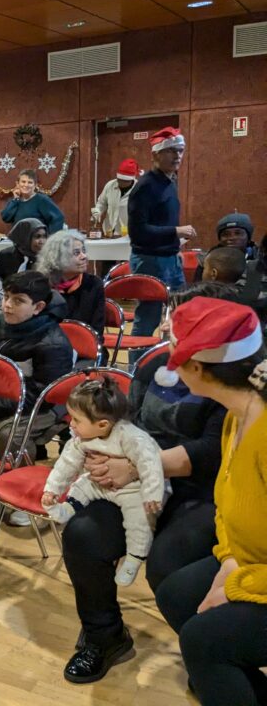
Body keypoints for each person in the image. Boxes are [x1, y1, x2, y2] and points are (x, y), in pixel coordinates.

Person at [60, 282, 229, 687]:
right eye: (170, 314)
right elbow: (125, 424)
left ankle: (211, 653)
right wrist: (102, 454)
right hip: (136, 480)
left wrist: (136, 467)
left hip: (202, 491)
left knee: (168, 565)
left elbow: (212, 452)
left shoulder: (232, 380)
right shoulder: (155, 367)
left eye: (180, 318)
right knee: (83, 534)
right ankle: (105, 637)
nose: (167, 325)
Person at [149, 297, 267, 706]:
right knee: (176, 594)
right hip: (251, 563)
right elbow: (229, 506)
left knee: (204, 641)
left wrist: (237, 584)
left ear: (196, 369)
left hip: (260, 575)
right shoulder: (237, 413)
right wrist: (230, 559)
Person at [42, 378, 164, 586]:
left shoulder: (131, 437)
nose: (71, 424)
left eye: (76, 420)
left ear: (102, 425)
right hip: (99, 483)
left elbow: (150, 464)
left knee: (139, 518)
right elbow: (66, 463)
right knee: (81, 486)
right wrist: (53, 489)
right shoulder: (82, 437)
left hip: (132, 488)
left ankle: (134, 557)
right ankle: (68, 508)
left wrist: (153, 493)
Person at [0, 271, 73, 478]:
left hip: (47, 404)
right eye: (6, 297)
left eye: (18, 301)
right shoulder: (4, 322)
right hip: (9, 396)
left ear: (38, 307)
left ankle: (18, 482)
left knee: (10, 436)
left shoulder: (52, 343)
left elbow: (41, 395)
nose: (7, 305)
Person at [127, 127, 196, 348]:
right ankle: (138, 364)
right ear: (156, 154)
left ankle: (170, 358)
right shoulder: (145, 186)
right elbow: (138, 231)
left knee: (179, 313)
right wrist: (175, 231)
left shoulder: (169, 181)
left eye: (180, 151)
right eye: (171, 151)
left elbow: (161, 222)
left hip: (170, 258)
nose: (177, 156)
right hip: (150, 260)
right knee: (147, 318)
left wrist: (175, 242)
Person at [37, 229, 106, 336]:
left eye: (84, 251)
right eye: (76, 253)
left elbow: (97, 330)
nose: (84, 256)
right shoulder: (41, 285)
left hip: (84, 343)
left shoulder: (94, 284)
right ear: (58, 258)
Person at [0, 169, 65, 234]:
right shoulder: (15, 201)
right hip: (19, 238)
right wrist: (15, 200)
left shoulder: (41, 199)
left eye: (30, 182)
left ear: (35, 185)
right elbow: (6, 218)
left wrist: (51, 238)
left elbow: (58, 218)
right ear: (17, 184)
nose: (26, 185)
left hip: (37, 238)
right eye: (23, 182)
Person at [92, 159, 139, 237]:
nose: (121, 183)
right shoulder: (110, 185)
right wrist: (97, 211)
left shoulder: (140, 190)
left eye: (125, 181)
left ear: (131, 180)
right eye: (119, 180)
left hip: (129, 234)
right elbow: (101, 203)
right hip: (109, 232)